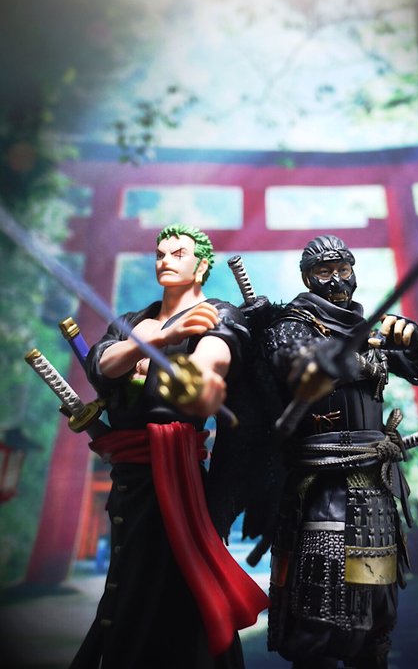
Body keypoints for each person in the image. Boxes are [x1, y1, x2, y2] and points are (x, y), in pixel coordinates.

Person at [70, 223, 268, 669]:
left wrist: (199, 378)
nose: (165, 260)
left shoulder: (217, 313)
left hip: (178, 481)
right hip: (129, 479)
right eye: (160, 253)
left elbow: (214, 355)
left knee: (181, 590)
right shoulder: (132, 321)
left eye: (178, 253)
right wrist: (154, 339)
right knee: (126, 585)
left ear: (201, 265)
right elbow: (101, 366)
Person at [264, 234, 418, 669]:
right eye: (324, 271)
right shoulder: (291, 324)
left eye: (343, 269)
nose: (336, 280)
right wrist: (348, 357)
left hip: (374, 493)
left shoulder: (371, 331)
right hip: (321, 490)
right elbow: (294, 362)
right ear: (307, 278)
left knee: (373, 621)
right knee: (318, 619)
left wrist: (417, 341)